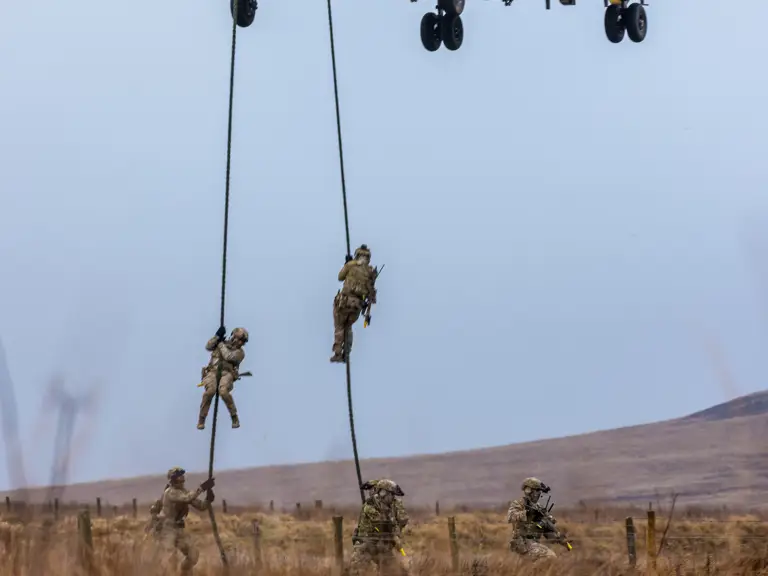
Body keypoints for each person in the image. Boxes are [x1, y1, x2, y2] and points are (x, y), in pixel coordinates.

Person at [153, 467, 215, 575]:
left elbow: (200, 506)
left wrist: (208, 500)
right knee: (169, 559)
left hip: (179, 529)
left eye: (182, 475)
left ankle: (184, 573)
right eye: (179, 476)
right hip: (166, 529)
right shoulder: (170, 492)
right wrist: (202, 488)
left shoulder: (183, 492)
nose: (182, 478)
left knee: (193, 555)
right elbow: (187, 498)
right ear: (174, 479)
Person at [350, 479, 409, 575]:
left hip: (382, 546)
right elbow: (382, 524)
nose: (393, 498)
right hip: (366, 545)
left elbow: (401, 520)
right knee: (356, 571)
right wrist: (394, 536)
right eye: (391, 494)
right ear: (383, 493)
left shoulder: (389, 506)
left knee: (398, 572)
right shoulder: (370, 506)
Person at [331, 245, 378, 363]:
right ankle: (347, 352)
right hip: (357, 306)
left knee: (340, 327)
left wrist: (347, 263)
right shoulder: (370, 272)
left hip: (343, 302)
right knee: (348, 328)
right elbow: (371, 293)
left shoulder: (351, 265)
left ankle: (337, 353)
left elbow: (340, 277)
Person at [198, 326, 248, 429]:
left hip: (227, 374)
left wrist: (220, 344)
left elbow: (228, 356)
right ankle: (201, 418)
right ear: (233, 336)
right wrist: (217, 337)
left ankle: (234, 416)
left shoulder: (240, 353)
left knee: (224, 391)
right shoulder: (222, 343)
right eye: (239, 339)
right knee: (210, 391)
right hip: (212, 372)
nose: (240, 343)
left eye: (242, 341)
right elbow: (208, 347)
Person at [506, 477, 558, 561]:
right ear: (528, 491)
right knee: (550, 557)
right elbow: (510, 517)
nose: (538, 494)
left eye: (539, 491)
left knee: (552, 557)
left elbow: (545, 527)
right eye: (537, 491)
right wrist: (527, 513)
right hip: (522, 543)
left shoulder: (538, 507)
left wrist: (555, 533)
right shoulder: (519, 504)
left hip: (533, 542)